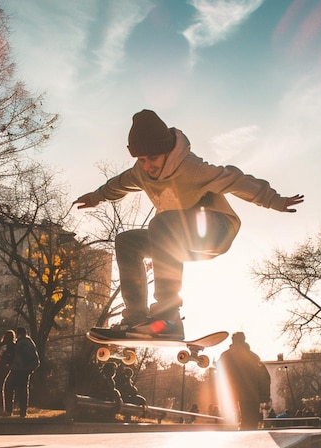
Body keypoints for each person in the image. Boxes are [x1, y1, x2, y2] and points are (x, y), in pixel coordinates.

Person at [75, 109, 304, 339]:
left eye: (153, 158)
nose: (148, 166)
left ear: (166, 151)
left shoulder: (192, 168)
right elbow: (119, 184)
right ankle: (135, 319)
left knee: (162, 224)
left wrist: (274, 200)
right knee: (127, 241)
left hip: (218, 229)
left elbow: (234, 180)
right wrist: (97, 196)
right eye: (142, 160)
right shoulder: (140, 173)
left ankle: (168, 317)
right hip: (178, 237)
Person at [220, 331, 271, 430]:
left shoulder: (225, 356)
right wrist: (264, 396)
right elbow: (264, 378)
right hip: (250, 396)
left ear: (233, 341)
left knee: (229, 425)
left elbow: (218, 377)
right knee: (250, 425)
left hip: (231, 396)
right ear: (244, 340)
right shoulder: (254, 357)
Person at [4, 327, 39, 418]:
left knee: (9, 387)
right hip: (24, 370)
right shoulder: (29, 342)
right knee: (22, 390)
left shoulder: (22, 343)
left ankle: (9, 410)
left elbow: (19, 357)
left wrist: (16, 365)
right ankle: (22, 412)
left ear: (19, 334)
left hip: (19, 369)